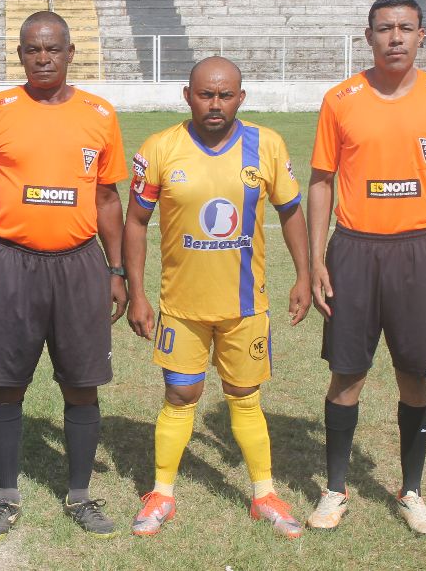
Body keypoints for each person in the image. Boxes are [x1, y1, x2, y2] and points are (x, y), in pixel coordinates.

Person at [306, 0, 426, 537]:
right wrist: (315, 259)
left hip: (420, 252)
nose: (395, 38)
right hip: (354, 251)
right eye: (385, 28)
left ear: (421, 35)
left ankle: (411, 492)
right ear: (369, 37)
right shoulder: (341, 99)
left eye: (405, 28)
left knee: (415, 374)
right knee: (347, 374)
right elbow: (321, 182)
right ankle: (335, 490)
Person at [124, 57, 311, 538]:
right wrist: (136, 293)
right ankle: (161, 493)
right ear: (187, 95)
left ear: (240, 98)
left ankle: (264, 495)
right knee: (180, 394)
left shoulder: (266, 145)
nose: (215, 104)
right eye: (205, 94)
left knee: (245, 397)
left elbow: (291, 211)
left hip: (245, 307)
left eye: (225, 95)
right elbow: (136, 222)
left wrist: (304, 275)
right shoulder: (160, 148)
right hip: (181, 307)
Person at [0, 11, 128, 541]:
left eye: (52, 48)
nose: (42, 58)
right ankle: (6, 495)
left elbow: (108, 199)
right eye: (32, 49)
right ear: (20, 54)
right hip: (12, 262)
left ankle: (79, 494)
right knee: (7, 384)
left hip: (79, 264)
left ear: (70, 52)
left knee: (81, 384)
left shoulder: (99, 114)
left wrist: (117, 270)